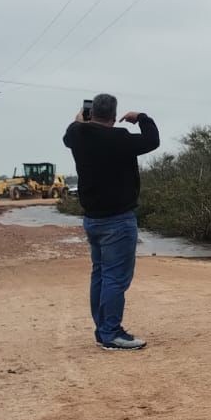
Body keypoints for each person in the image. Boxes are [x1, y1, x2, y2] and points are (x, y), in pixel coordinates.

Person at [62, 93, 159, 351]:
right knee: (115, 279)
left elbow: (71, 130)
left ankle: (103, 330)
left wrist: (81, 120)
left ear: (91, 114)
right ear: (114, 117)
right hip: (118, 220)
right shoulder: (119, 138)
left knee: (101, 276)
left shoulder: (77, 136)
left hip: (92, 220)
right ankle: (111, 333)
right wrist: (141, 118)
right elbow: (152, 140)